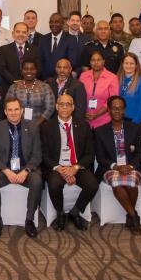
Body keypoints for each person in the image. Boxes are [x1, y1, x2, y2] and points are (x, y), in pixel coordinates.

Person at [0, 97, 43, 238]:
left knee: (37, 181)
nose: (13, 113)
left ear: (22, 110)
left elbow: (37, 155)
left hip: (25, 168)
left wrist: (26, 170)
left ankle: (29, 220)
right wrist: (5, 170)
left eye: (16, 109)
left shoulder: (33, 127)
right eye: (10, 110)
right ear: (5, 112)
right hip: (3, 168)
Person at [40, 94, 98, 231]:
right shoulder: (46, 127)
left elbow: (90, 153)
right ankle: (60, 213)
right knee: (54, 184)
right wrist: (60, 168)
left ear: (73, 107)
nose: (64, 107)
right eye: (61, 104)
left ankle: (75, 211)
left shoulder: (84, 126)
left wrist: (76, 167)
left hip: (77, 166)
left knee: (92, 184)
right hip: (57, 166)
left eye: (68, 104)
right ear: (56, 107)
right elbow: (44, 154)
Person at [94, 96, 141, 233]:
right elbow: (100, 157)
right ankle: (133, 216)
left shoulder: (135, 128)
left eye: (121, 108)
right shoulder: (100, 131)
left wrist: (131, 166)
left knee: (132, 182)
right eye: (114, 108)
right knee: (117, 183)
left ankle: (130, 215)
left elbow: (140, 153)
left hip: (131, 166)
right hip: (110, 167)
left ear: (124, 110)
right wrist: (116, 167)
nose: (118, 111)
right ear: (109, 110)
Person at [6, 59, 55, 126]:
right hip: (17, 125)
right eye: (26, 69)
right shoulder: (14, 87)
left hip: (41, 127)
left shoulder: (45, 87)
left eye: (32, 69)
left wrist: (35, 124)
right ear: (22, 71)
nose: (29, 71)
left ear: (36, 71)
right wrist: (22, 123)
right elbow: (8, 106)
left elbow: (50, 108)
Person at [78, 50, 119, 129]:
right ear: (89, 62)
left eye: (98, 60)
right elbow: (79, 97)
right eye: (93, 60)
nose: (96, 62)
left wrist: (97, 114)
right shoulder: (83, 76)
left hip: (104, 121)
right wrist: (83, 112)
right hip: (85, 120)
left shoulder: (112, 78)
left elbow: (112, 100)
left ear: (103, 61)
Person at [0, 22, 40, 90]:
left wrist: (26, 81)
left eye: (24, 32)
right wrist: (14, 81)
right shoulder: (4, 49)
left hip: (30, 87)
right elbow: (2, 68)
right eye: (18, 32)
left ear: (28, 34)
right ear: (13, 34)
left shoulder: (35, 50)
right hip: (9, 87)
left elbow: (38, 68)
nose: (21, 34)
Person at [38, 13, 78, 79]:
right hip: (45, 80)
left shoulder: (70, 39)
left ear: (62, 24)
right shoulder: (43, 39)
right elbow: (40, 60)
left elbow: (72, 62)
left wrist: (55, 78)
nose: (53, 24)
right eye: (51, 22)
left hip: (63, 79)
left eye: (57, 22)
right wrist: (45, 77)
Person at [116, 53, 141, 124]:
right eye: (126, 63)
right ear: (122, 64)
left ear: (136, 65)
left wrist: (133, 124)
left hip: (134, 121)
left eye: (132, 63)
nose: (129, 66)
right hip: (118, 121)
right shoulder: (117, 80)